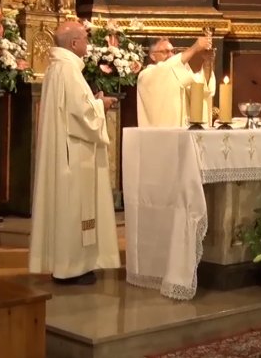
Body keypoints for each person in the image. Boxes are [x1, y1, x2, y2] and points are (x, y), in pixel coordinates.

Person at [28, 20, 121, 285]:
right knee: (73, 207)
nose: (88, 44)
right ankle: (71, 267)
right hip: (74, 154)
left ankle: (67, 265)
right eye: (85, 39)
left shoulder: (57, 68)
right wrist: (101, 104)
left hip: (66, 152)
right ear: (73, 43)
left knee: (67, 206)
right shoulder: (68, 70)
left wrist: (94, 103)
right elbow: (84, 115)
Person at [136, 36, 216, 127]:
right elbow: (166, 68)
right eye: (165, 51)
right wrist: (195, 47)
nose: (170, 55)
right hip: (160, 133)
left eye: (172, 51)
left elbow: (201, 89)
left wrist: (207, 63)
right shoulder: (146, 75)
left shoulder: (177, 71)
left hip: (182, 131)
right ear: (152, 56)